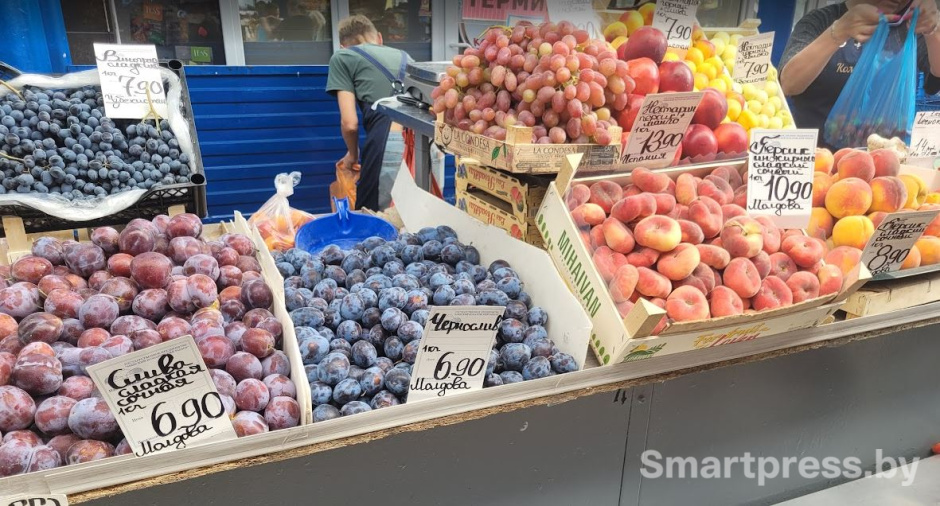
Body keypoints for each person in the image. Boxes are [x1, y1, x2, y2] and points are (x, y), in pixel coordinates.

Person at [780, 0, 940, 141]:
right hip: (817, 160)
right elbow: (789, 84)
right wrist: (839, 31)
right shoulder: (821, 20)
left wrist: (933, 29)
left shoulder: (910, 25)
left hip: (883, 162)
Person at [326, 15, 412, 211]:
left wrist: (352, 154)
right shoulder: (406, 57)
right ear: (380, 38)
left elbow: (349, 123)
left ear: (342, 45)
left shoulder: (343, 57)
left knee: (373, 220)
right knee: (417, 220)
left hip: (390, 140)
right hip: (426, 143)